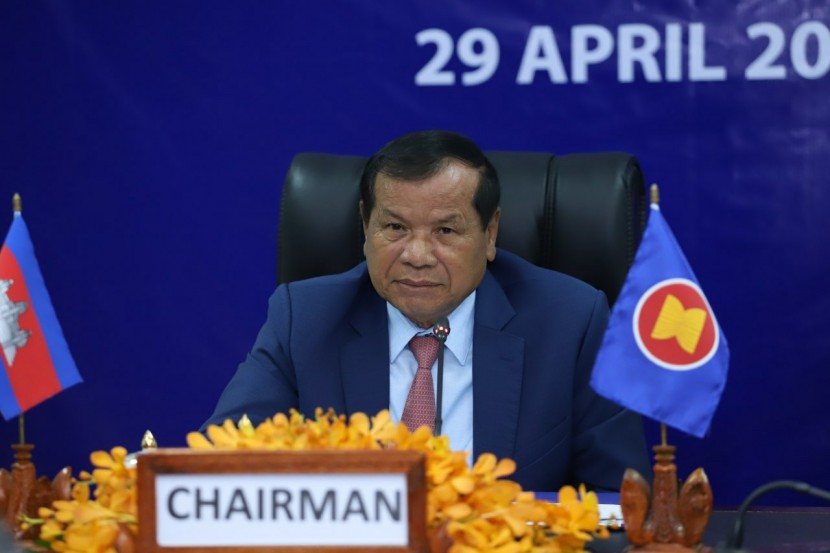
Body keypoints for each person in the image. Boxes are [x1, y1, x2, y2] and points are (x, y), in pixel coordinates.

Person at [203, 130, 650, 491]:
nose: (417, 255)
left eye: (445, 231)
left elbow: (621, 501)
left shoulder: (570, 322)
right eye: (395, 227)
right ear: (365, 225)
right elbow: (216, 472)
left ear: (491, 233)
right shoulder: (304, 319)